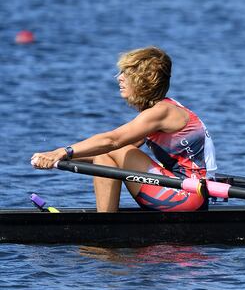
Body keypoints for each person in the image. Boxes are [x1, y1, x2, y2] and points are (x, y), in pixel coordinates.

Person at [31, 46, 216, 212]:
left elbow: (113, 141)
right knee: (105, 154)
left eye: (125, 73)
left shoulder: (162, 112)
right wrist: (57, 158)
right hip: (183, 190)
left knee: (117, 148)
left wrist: (62, 152)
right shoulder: (161, 110)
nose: (118, 77)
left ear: (143, 80)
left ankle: (105, 226)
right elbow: (105, 150)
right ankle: (104, 222)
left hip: (189, 196)